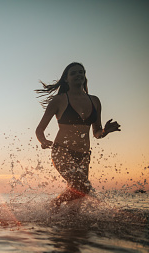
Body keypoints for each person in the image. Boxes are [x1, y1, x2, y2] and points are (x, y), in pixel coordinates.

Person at [35, 62, 120, 212]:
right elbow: (39, 129)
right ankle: (54, 204)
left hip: (84, 155)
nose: (78, 75)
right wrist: (43, 141)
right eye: (73, 73)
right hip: (62, 151)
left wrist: (105, 131)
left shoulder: (95, 101)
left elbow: (96, 132)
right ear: (66, 79)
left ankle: (69, 229)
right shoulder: (59, 100)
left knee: (78, 200)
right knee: (83, 187)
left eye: (81, 72)